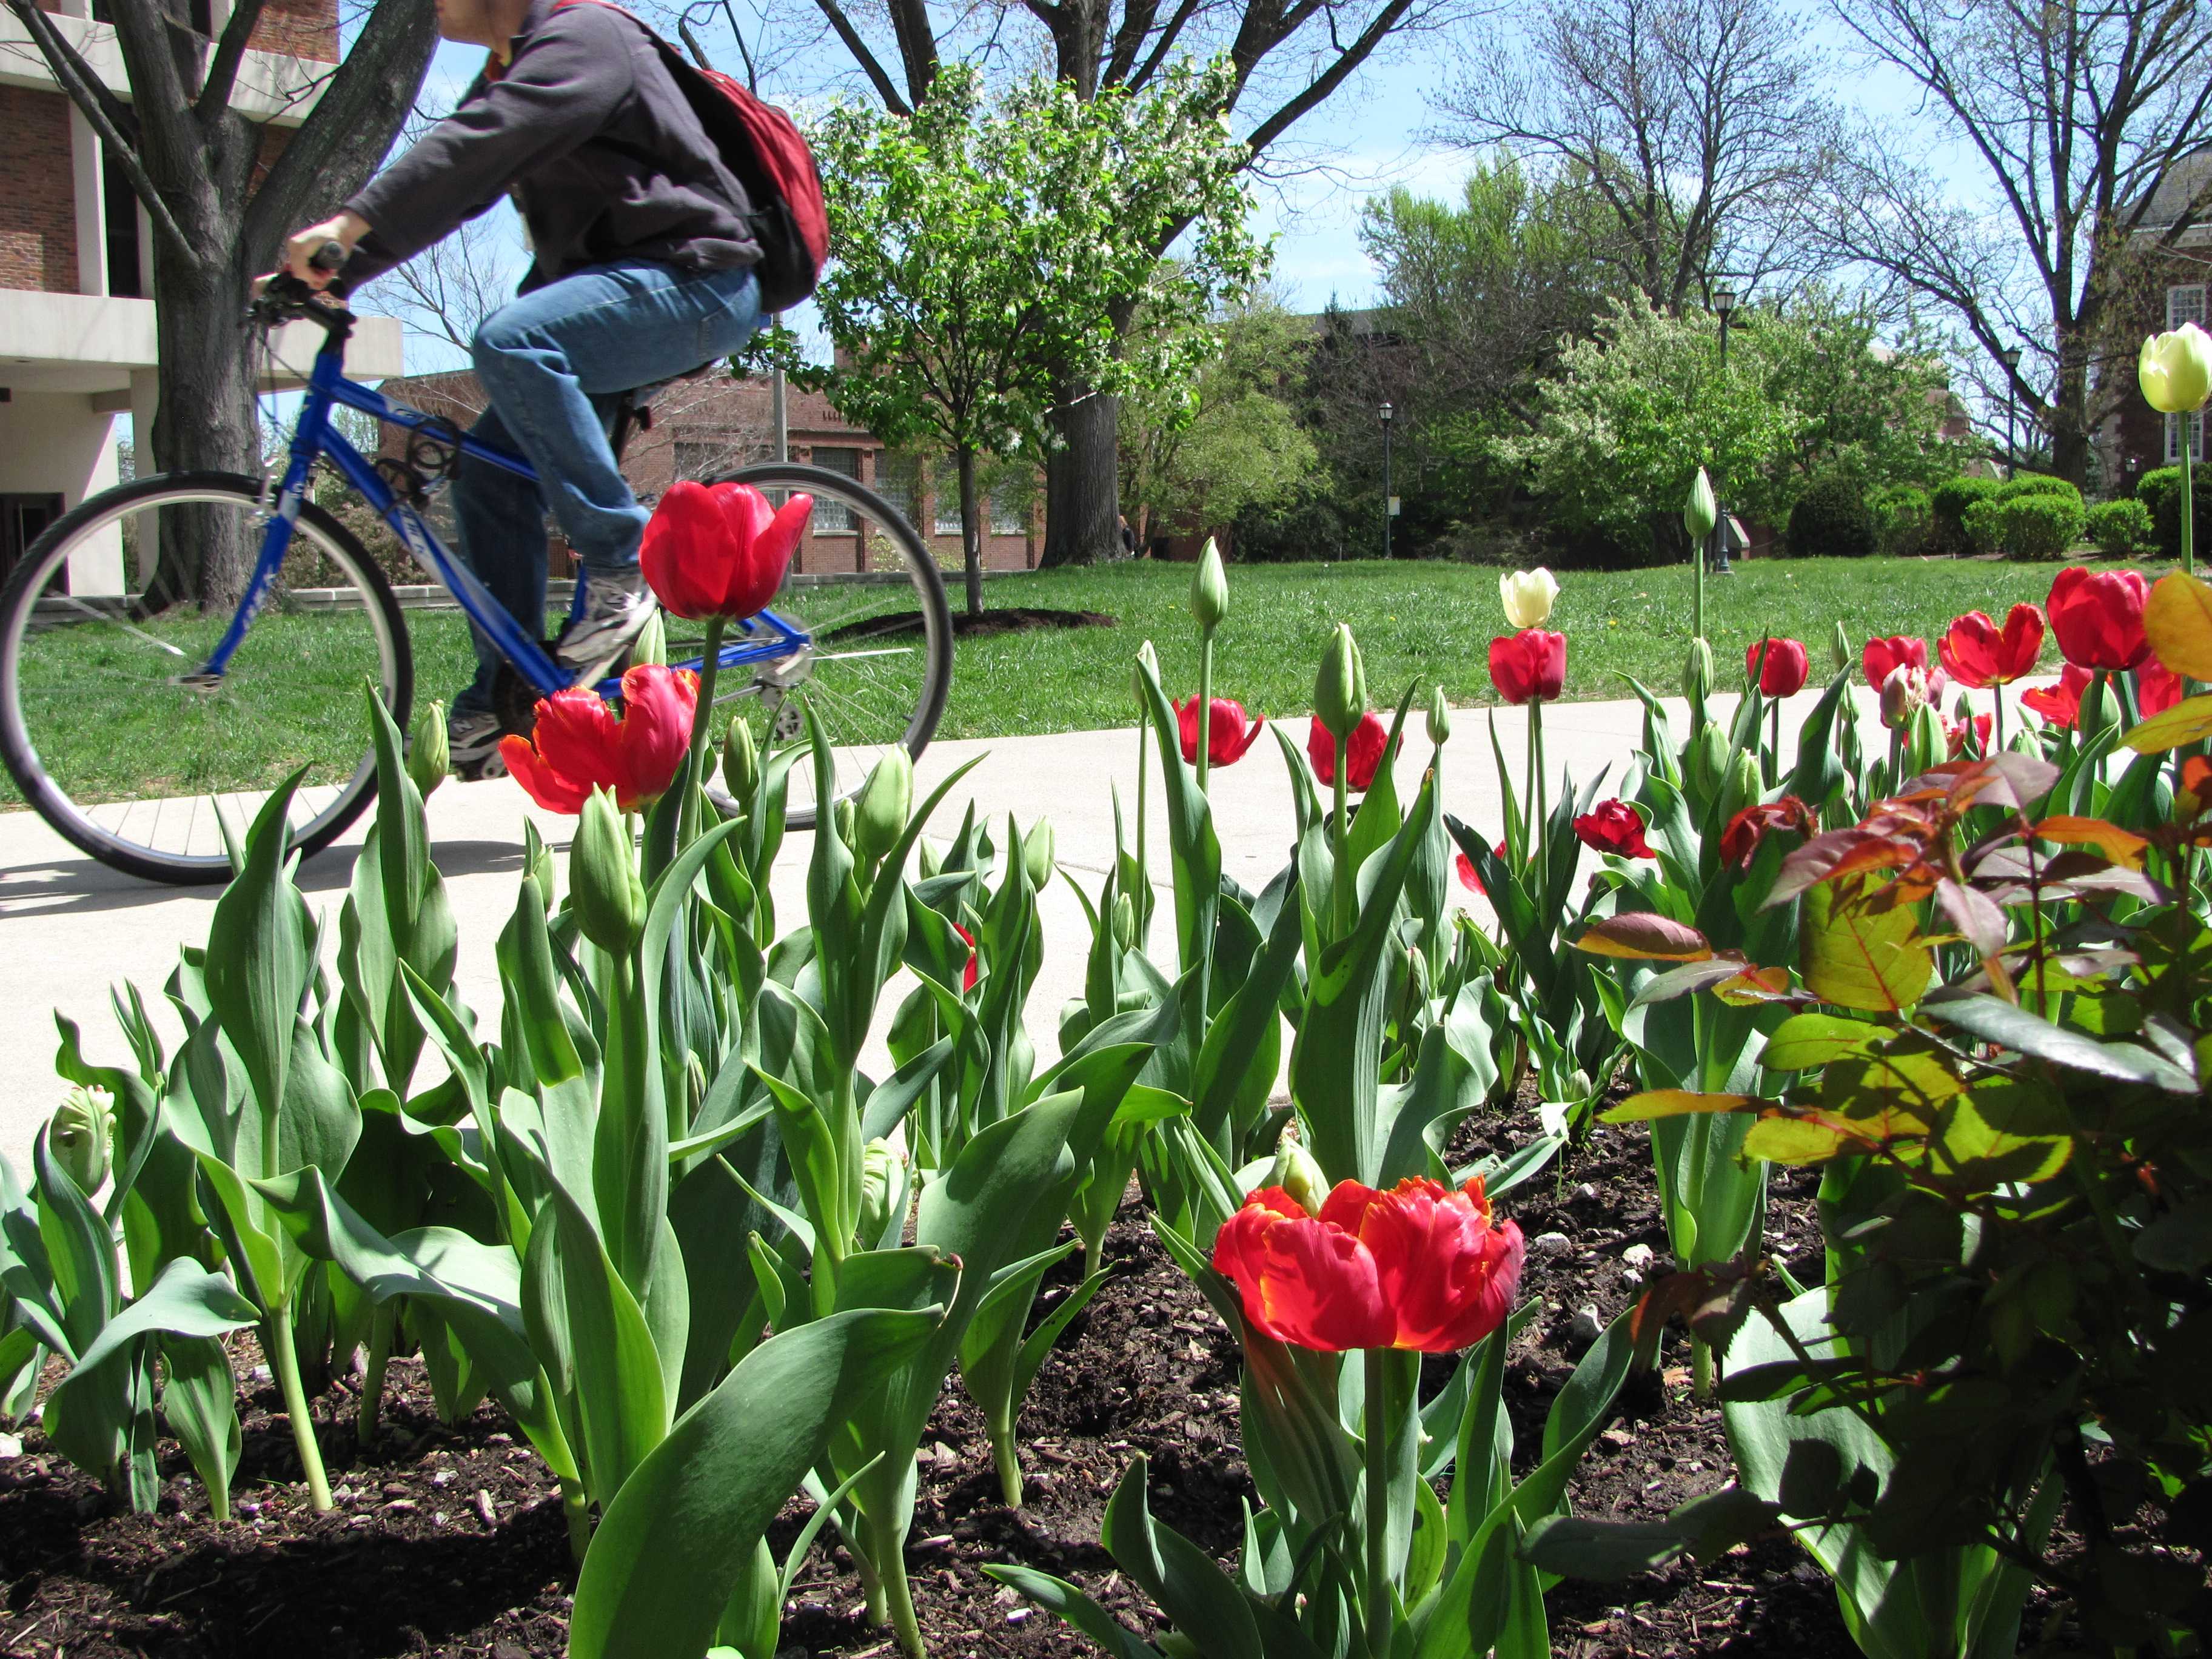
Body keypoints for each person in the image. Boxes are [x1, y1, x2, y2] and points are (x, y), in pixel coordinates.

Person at [271, 0, 766, 776]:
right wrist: (337, 271)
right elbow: (455, 186)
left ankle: (619, 562)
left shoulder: (585, 38)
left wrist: (347, 224)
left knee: (512, 339)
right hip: (629, 296)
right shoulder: (510, 68)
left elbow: (476, 148)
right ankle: (508, 690)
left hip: (700, 284)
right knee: (489, 477)